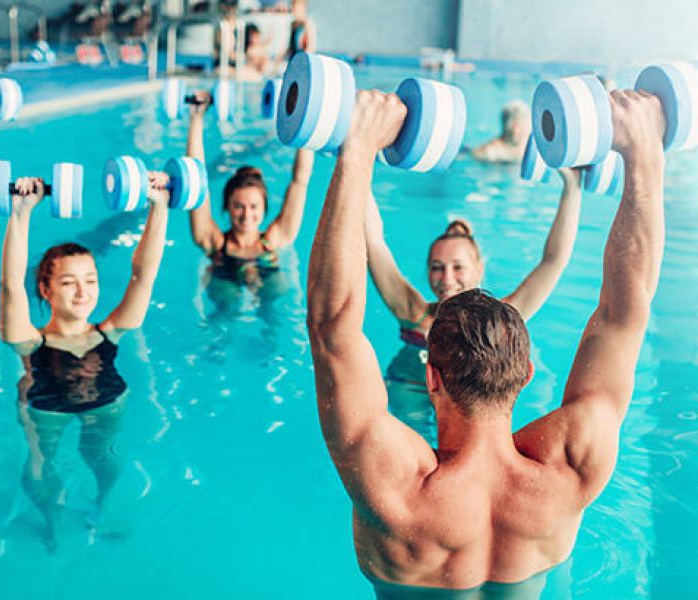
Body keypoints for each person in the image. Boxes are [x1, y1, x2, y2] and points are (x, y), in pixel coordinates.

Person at [305, 85, 667, 593]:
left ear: (431, 377)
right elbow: (624, 314)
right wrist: (646, 155)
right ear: (527, 374)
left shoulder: (394, 488)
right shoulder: (571, 470)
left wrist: (358, 151)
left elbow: (333, 328)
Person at [0, 170, 170, 551]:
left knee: (105, 460)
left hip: (107, 404)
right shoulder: (29, 341)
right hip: (46, 409)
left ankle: (104, 504)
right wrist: (21, 213)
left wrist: (159, 207)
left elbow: (144, 274)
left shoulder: (111, 330)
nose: (83, 292)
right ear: (45, 289)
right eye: (68, 282)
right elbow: (12, 284)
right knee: (42, 465)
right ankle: (52, 521)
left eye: (90, 280)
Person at [365, 171, 580, 439]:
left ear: (479, 269)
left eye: (458, 267)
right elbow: (374, 245)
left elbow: (554, 260)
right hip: (411, 395)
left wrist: (573, 187)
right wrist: (357, 165)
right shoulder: (414, 314)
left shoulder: (501, 319)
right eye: (437, 268)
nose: (446, 279)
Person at [186, 91, 313, 311]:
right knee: (225, 303)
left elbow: (300, 181)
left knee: (273, 302)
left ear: (264, 208)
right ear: (227, 207)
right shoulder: (213, 242)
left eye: (254, 207)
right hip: (222, 308)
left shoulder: (276, 238)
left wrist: (306, 116)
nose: (246, 215)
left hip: (272, 324)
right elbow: (195, 181)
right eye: (238, 206)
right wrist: (196, 118)